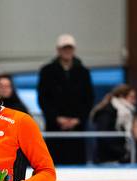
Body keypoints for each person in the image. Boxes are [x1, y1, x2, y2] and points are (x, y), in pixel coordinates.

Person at [37, 34, 94, 164]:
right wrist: (56, 118)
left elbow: (89, 99)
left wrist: (78, 119)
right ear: (58, 50)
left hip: (78, 129)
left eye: (70, 48)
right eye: (64, 48)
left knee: (77, 163)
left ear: (74, 50)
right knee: (54, 164)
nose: (67, 51)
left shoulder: (83, 72)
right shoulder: (47, 71)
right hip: (55, 128)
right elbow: (43, 98)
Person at [90, 84, 137, 163]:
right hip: (108, 159)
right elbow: (104, 135)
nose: (135, 101)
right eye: (132, 97)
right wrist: (122, 152)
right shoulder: (107, 111)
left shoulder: (130, 113)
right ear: (121, 96)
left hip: (123, 157)